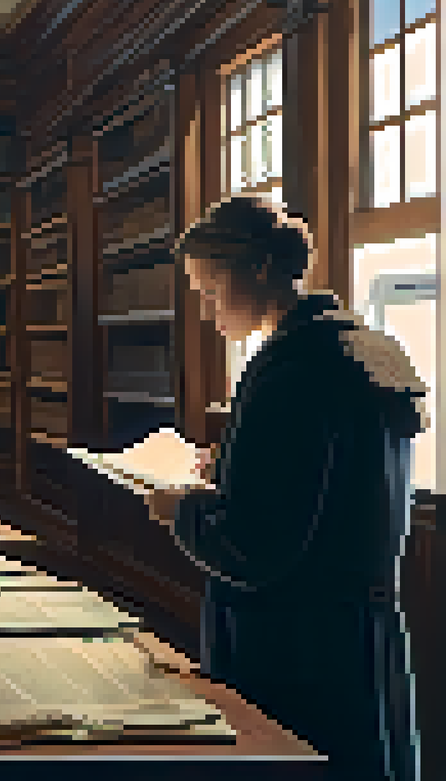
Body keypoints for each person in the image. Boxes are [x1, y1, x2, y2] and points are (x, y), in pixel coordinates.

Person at [148, 194, 425, 780]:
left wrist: (182, 511)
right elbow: (338, 483)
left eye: (211, 290)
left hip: (298, 647)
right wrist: (230, 466)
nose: (207, 309)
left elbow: (253, 548)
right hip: (360, 633)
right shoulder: (362, 348)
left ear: (259, 270)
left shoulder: (290, 372)